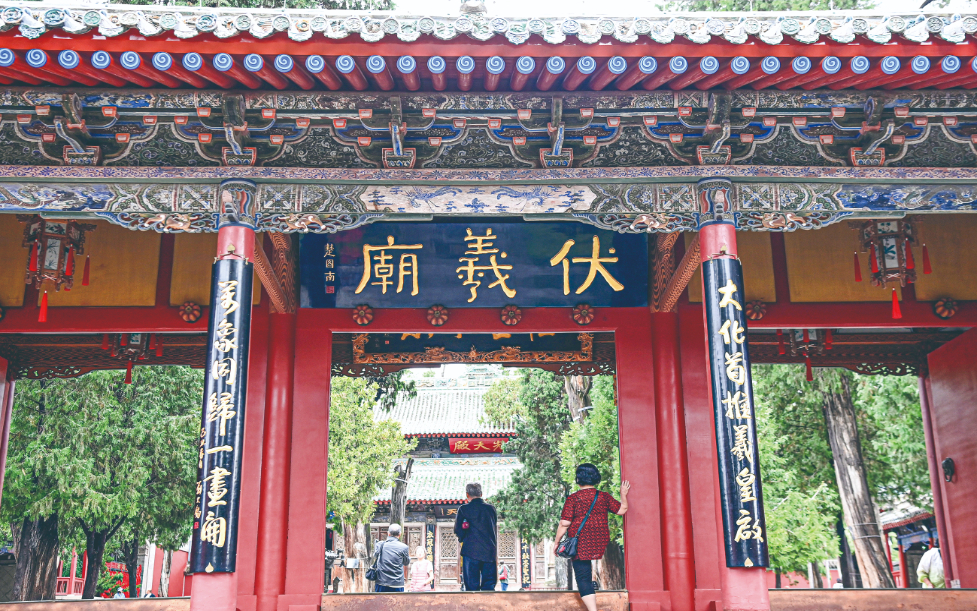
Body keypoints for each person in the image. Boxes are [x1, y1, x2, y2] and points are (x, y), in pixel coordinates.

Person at [553, 464, 629, 611]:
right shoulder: (603, 496)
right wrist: (623, 494)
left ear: (578, 479)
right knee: (589, 566)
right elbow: (622, 510)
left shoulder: (573, 499)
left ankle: (593, 609)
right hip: (599, 540)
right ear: (596, 478)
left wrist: (557, 543)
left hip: (580, 543)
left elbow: (564, 523)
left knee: (583, 578)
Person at [454, 482, 498, 591]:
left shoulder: (463, 509)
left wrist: (464, 538)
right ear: (481, 494)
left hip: (470, 551)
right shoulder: (491, 509)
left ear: (467, 494)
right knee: (489, 587)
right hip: (489, 551)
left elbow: (458, 530)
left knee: (471, 587)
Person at [372, 523, 411, 592]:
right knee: (397, 599)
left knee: (380, 599)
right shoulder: (404, 547)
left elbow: (375, 556)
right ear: (400, 534)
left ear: (388, 533)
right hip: (397, 583)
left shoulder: (380, 544)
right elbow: (406, 562)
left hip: (382, 581)